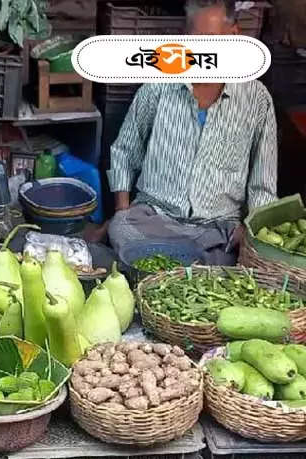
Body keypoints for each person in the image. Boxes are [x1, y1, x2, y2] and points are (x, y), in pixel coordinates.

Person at [105, 0, 278, 264]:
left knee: (225, 262)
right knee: (123, 231)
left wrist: (248, 231)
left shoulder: (256, 99)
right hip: (153, 217)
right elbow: (125, 151)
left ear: (233, 36)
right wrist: (122, 209)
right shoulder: (159, 84)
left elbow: (263, 185)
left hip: (216, 229)